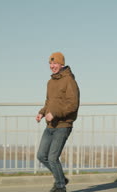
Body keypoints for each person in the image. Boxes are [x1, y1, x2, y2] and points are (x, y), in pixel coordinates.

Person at [36, 52, 80, 192]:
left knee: (53, 157)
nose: (52, 66)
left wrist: (54, 114)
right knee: (41, 156)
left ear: (61, 64)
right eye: (50, 64)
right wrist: (42, 112)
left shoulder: (69, 81)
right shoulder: (50, 82)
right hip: (50, 125)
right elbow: (49, 102)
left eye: (54, 63)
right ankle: (61, 177)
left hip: (63, 125)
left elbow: (73, 104)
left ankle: (61, 187)